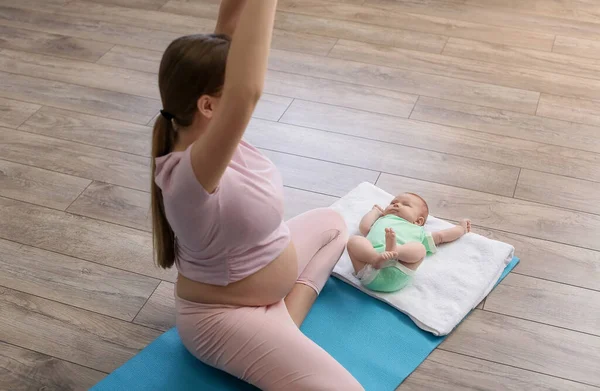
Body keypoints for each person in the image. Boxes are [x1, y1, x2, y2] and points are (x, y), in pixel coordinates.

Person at [150, 1, 363, 389]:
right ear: (209, 106)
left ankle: (284, 328)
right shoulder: (189, 177)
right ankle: (272, 335)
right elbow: (247, 91)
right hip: (222, 317)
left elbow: (231, 22)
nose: (239, 109)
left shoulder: (205, 134)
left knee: (334, 225)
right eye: (229, 98)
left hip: (259, 279)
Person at [347, 193, 471, 293]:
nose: (396, 205)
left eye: (405, 205)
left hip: (399, 268)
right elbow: (364, 227)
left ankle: (395, 250)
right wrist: (375, 212)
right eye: (393, 203)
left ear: (418, 221)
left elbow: (441, 236)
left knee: (420, 248)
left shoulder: (418, 231)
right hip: (369, 269)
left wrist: (460, 229)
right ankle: (375, 258)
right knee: (354, 241)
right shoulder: (381, 220)